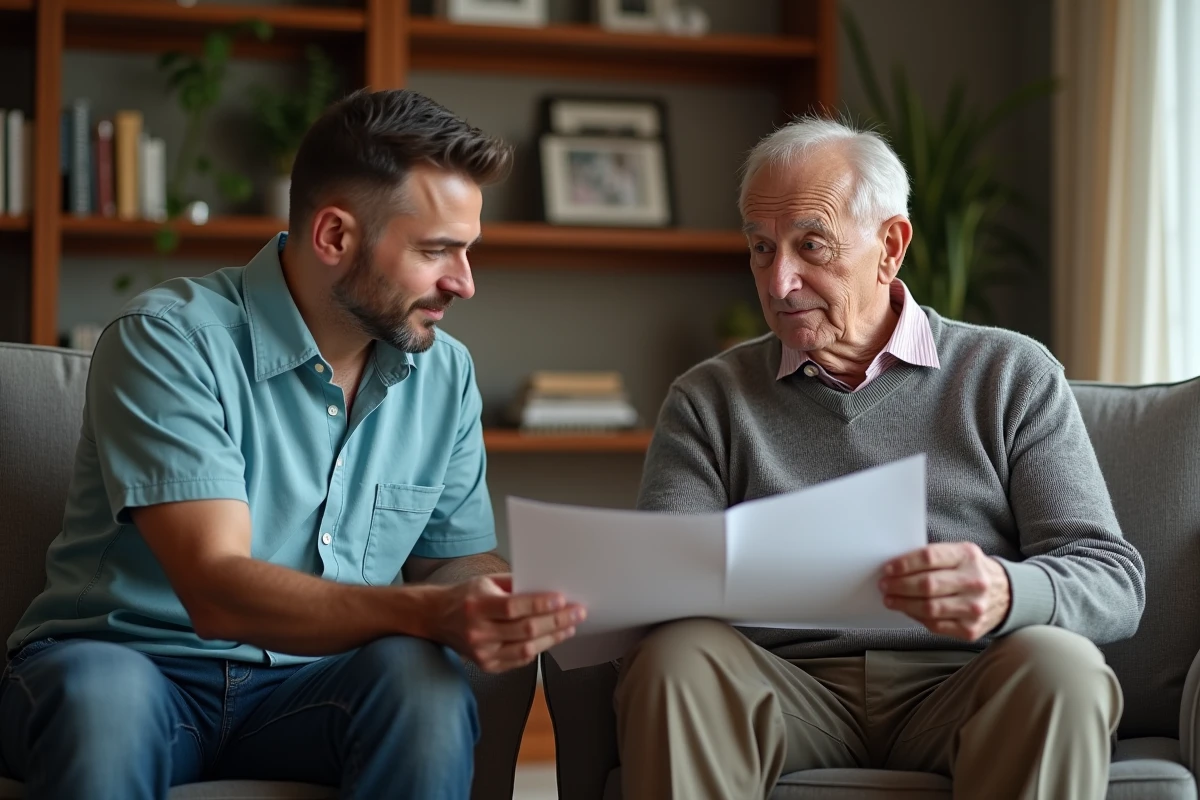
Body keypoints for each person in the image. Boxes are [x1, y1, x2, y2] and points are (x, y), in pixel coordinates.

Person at [0, 88, 585, 800]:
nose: (463, 282)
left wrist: (499, 595)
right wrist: (425, 612)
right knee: (105, 700)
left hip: (312, 688)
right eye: (437, 251)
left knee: (420, 686)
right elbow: (215, 587)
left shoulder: (444, 372)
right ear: (335, 237)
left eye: (467, 250)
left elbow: (448, 557)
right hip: (135, 664)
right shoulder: (171, 340)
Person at [617, 117, 1145, 800]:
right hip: (780, 686)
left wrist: (1008, 590)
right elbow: (661, 587)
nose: (779, 283)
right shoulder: (707, 399)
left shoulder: (1009, 373)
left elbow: (1110, 579)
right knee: (674, 659)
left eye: (811, 246)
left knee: (1061, 666)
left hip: (968, 682)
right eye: (759, 249)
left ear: (890, 247)